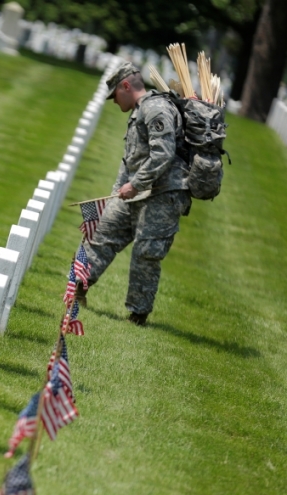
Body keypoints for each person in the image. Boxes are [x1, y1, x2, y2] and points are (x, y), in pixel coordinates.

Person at [76, 62, 191, 326]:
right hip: (136, 191)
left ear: (126, 86)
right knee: (102, 232)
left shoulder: (155, 109)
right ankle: (78, 290)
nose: (114, 102)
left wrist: (136, 184)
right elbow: (132, 157)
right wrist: (117, 190)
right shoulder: (140, 111)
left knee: (146, 252)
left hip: (163, 193)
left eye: (115, 95)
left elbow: (163, 154)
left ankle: (138, 315)